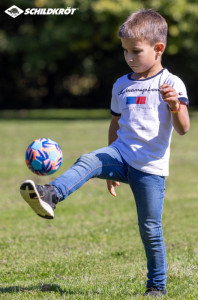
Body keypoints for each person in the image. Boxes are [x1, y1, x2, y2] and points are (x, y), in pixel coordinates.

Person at [20, 9, 190, 297]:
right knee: (88, 160)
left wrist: (174, 105)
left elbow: (183, 128)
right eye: (125, 51)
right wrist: (108, 168)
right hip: (120, 155)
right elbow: (116, 124)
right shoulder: (121, 85)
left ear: (158, 49)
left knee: (150, 229)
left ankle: (156, 287)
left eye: (135, 51)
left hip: (150, 168)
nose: (129, 57)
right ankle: (51, 194)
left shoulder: (171, 84)